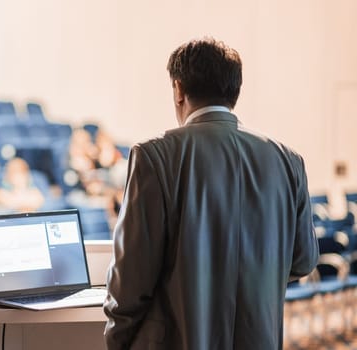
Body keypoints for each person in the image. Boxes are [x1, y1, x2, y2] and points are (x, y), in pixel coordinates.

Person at [103, 38, 318, 349]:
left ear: (178, 89)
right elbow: (303, 260)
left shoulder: (154, 156)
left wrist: (116, 338)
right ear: (234, 90)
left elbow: (132, 280)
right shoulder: (288, 160)